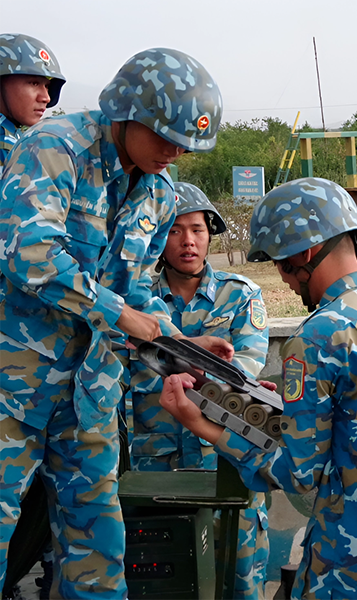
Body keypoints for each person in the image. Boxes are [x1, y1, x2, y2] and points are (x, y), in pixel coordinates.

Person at [0, 48, 231, 599]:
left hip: (89, 398)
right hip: (14, 389)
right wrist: (120, 312)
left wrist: (177, 339)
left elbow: (138, 294)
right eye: (165, 137)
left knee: (98, 546)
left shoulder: (159, 191)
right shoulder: (56, 147)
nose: (174, 153)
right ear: (127, 113)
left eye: (185, 145)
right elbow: (28, 251)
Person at [158, 177, 357, 600]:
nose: (285, 280)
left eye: (281, 263)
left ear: (305, 252)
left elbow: (294, 473)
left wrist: (200, 424)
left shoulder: (318, 337)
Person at [129, 182, 269, 600]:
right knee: (158, 580)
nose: (188, 241)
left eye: (197, 229)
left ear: (210, 234)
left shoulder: (239, 295)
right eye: (174, 230)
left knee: (237, 579)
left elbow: (245, 366)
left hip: (222, 461)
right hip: (153, 467)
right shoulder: (135, 302)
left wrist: (186, 371)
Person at [0, 33, 65, 169]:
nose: (46, 97)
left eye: (47, 86)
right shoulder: (5, 146)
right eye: (34, 83)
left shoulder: (12, 135)